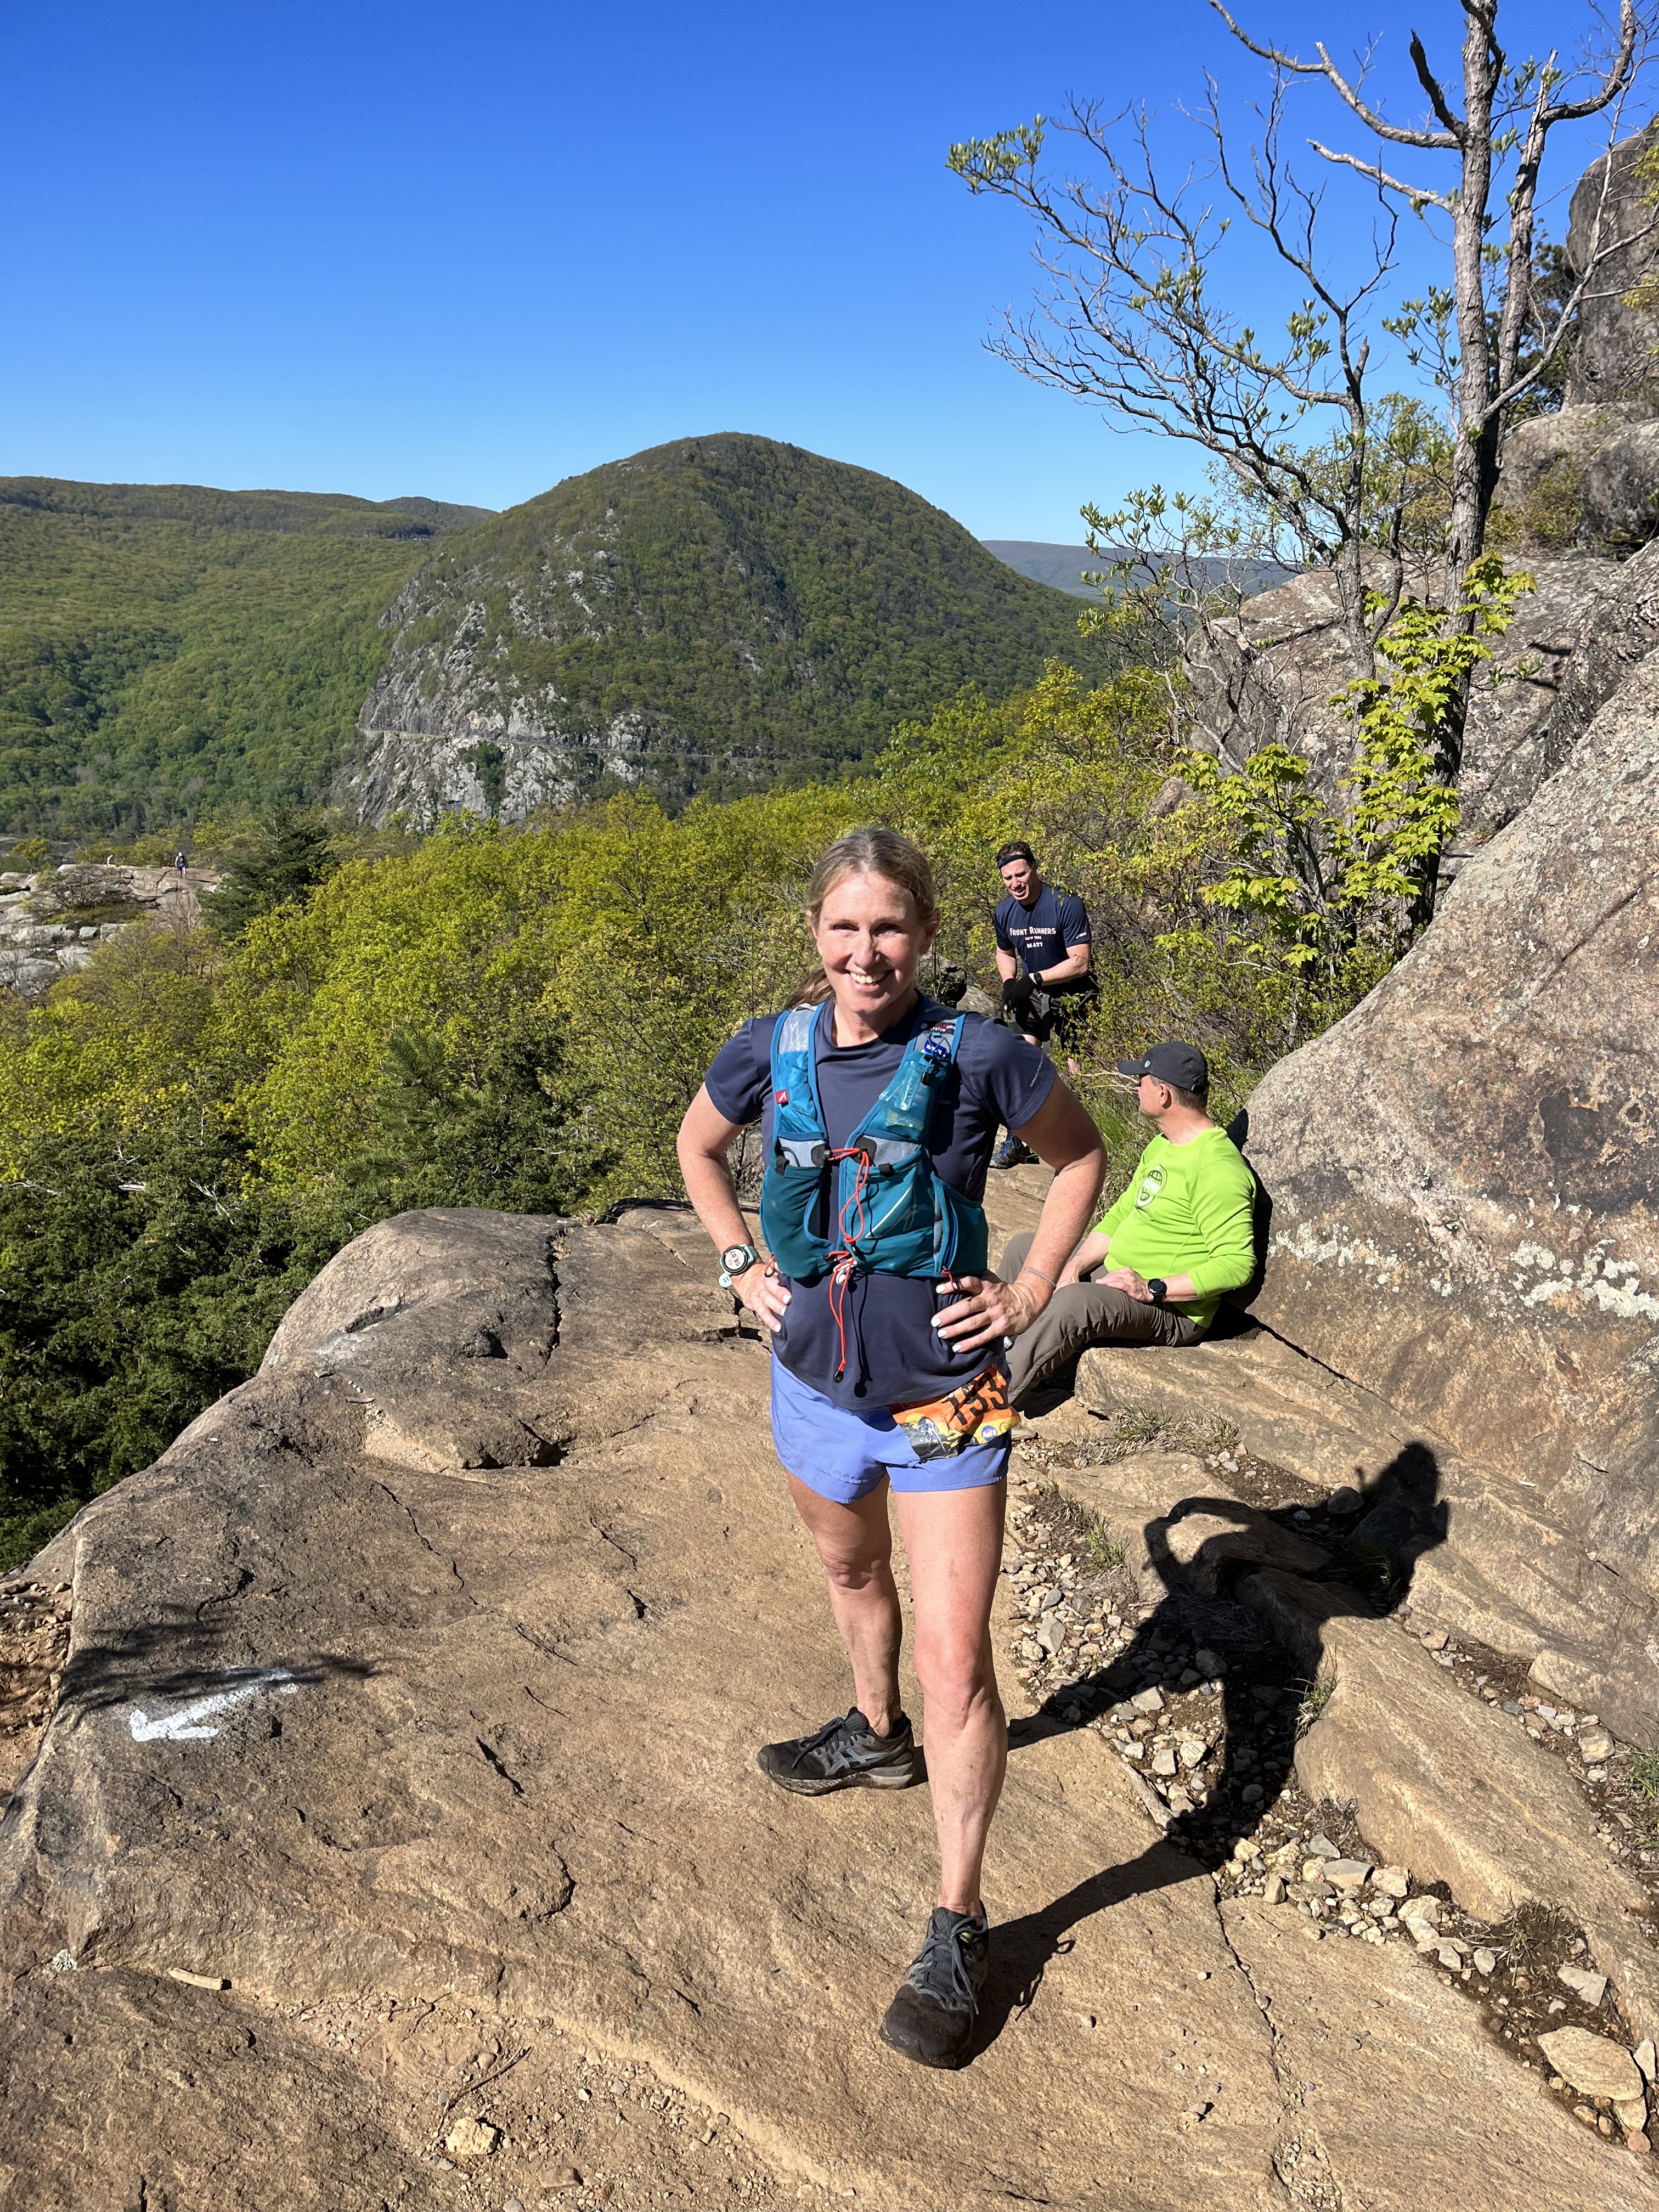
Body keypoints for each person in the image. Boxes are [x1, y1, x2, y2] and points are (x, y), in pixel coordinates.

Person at [676, 827, 1105, 2069]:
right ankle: (872, 1733)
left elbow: (1080, 1156)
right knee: (850, 1569)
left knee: (956, 1661)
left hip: (946, 1400)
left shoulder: (981, 1053)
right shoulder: (769, 1047)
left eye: (889, 929)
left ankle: (957, 1918)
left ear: (922, 934)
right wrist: (739, 1262)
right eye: (844, 929)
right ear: (815, 934)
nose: (866, 954)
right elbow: (698, 1148)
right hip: (813, 1384)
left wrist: (1031, 1288)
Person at [1001, 1041, 1256, 1404]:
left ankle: (989, 1397)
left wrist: (1153, 1289)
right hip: (1119, 1271)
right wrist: (1075, 1265)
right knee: (1024, 1249)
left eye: (1142, 1080)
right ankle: (992, 1348)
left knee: (1073, 1303)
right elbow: (1122, 1215)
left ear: (1164, 1094)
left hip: (1170, 1308)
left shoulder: (1218, 1169)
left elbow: (1236, 1264)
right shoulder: (1163, 1145)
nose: (1136, 1087)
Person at [989, 842, 1095, 1168]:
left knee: (1078, 1068)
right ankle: (1018, 1142)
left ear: (1034, 869)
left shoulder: (1065, 903)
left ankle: (1079, 1144)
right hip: (1032, 994)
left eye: (1020, 874)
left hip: (1075, 995)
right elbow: (1004, 952)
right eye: (1008, 878)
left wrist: (1033, 979)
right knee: (1021, 1061)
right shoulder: (1005, 912)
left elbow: (1080, 962)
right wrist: (1010, 982)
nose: (1015, 883)